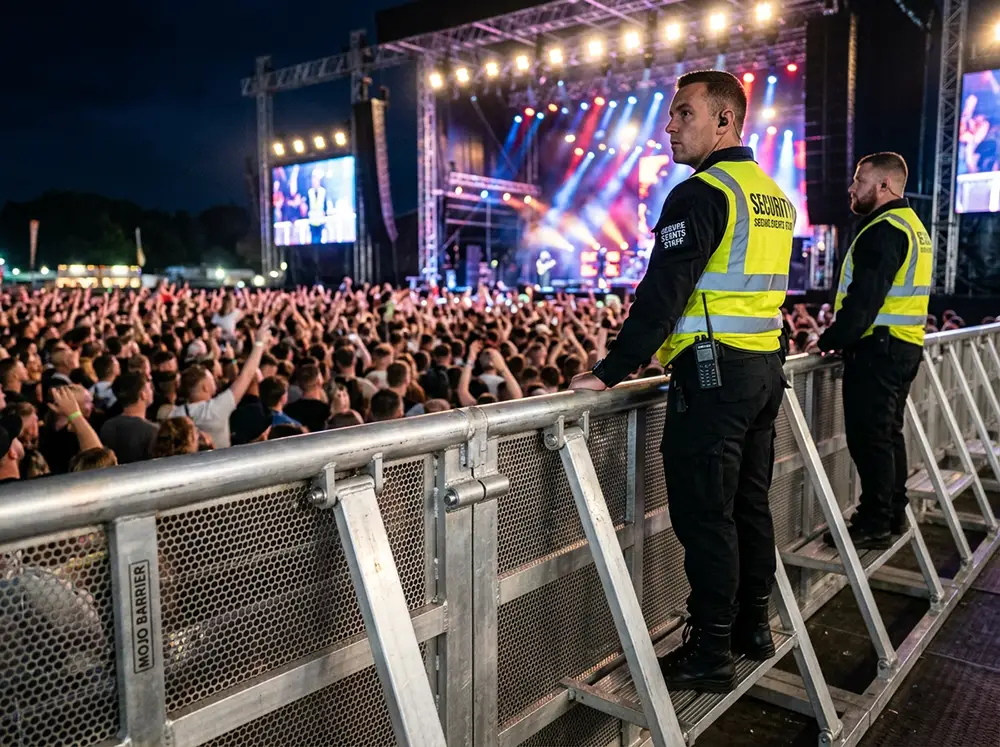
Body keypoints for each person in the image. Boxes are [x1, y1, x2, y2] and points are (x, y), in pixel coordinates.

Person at [570, 70, 794, 692]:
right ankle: (753, 626)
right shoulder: (771, 194)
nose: (669, 124)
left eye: (683, 113)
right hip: (762, 371)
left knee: (707, 518)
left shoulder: (701, 193)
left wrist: (609, 371)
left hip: (712, 375)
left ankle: (710, 654)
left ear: (724, 121)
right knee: (749, 506)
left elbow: (661, 294)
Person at [818, 153, 932, 548]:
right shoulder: (912, 226)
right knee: (886, 434)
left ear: (883, 186)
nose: (852, 188)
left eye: (859, 180)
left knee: (870, 439)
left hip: (879, 351)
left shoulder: (884, 229)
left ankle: (874, 523)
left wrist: (832, 339)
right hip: (902, 346)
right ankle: (892, 513)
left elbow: (864, 301)